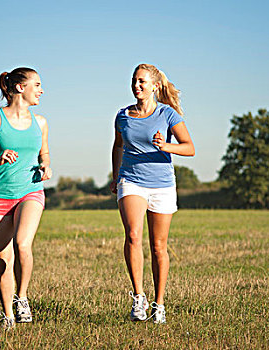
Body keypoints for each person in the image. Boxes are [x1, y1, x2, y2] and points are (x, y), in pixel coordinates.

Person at [110, 63, 195, 324]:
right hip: (131, 181)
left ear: (155, 86)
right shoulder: (123, 116)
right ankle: (138, 297)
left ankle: (159, 304)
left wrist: (166, 145)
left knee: (158, 247)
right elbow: (118, 146)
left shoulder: (168, 115)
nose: (137, 86)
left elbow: (190, 148)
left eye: (142, 82)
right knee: (133, 236)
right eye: (134, 81)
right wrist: (116, 177)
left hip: (161, 184)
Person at [0, 67, 52, 330]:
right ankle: (7, 316)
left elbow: (45, 154)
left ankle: (23, 297)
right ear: (20, 88)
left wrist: (46, 166)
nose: (41, 90)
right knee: (3, 258)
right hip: (0, 194)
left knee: (22, 244)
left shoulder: (40, 122)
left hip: (30, 191)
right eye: (37, 85)